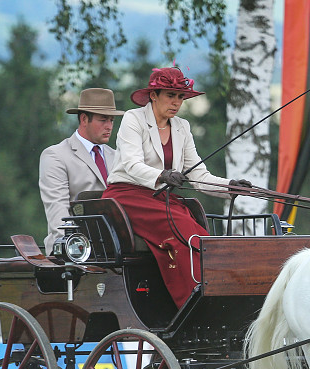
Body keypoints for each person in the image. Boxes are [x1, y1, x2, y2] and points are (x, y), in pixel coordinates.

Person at [105, 66, 252, 308]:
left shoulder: (182, 127)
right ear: (154, 95)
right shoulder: (134, 119)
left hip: (160, 198)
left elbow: (197, 174)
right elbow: (131, 165)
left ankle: (215, 290)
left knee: (192, 228)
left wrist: (229, 186)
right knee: (181, 227)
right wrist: (162, 175)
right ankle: (191, 300)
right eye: (170, 95)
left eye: (181, 97)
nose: (176, 103)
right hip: (127, 195)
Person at [39, 88, 125, 252]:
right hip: (74, 251)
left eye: (112, 120)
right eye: (103, 120)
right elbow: (58, 212)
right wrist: (74, 248)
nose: (109, 126)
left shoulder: (117, 157)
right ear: (84, 119)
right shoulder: (55, 156)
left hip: (116, 251)